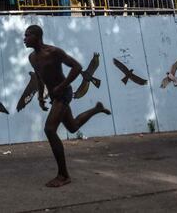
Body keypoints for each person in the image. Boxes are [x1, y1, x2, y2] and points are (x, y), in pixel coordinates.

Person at [24, 25, 111, 187]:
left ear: (37, 36)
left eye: (27, 35)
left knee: (50, 129)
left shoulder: (54, 52)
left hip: (64, 94)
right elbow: (39, 76)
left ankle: (63, 175)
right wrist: (40, 96)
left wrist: (62, 86)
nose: (24, 39)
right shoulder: (32, 58)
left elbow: (77, 67)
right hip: (55, 96)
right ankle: (97, 108)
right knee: (72, 126)